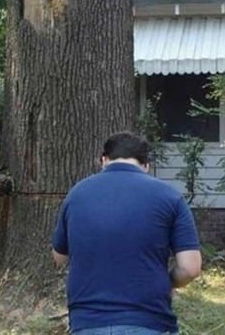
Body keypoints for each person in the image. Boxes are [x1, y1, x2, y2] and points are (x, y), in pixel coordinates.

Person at [52, 132, 201, 335]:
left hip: (87, 322)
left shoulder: (76, 194)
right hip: (150, 321)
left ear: (103, 160)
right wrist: (168, 282)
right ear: (146, 165)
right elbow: (190, 268)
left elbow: (59, 257)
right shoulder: (170, 196)